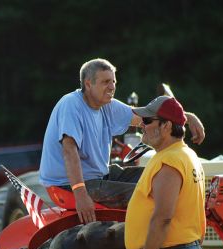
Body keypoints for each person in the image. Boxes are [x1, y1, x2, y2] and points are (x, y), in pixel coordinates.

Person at [39, 58, 205, 224]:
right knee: (148, 192)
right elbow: (69, 151)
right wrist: (80, 193)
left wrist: (188, 117)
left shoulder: (107, 105)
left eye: (113, 81)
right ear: (88, 84)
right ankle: (163, 237)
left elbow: (144, 118)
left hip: (97, 176)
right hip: (69, 184)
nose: (112, 87)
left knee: (159, 175)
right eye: (105, 82)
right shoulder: (71, 105)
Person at [125, 96, 206, 249]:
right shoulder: (186, 155)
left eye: (147, 120)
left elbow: (162, 218)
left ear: (166, 126)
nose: (141, 125)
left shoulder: (169, 161)